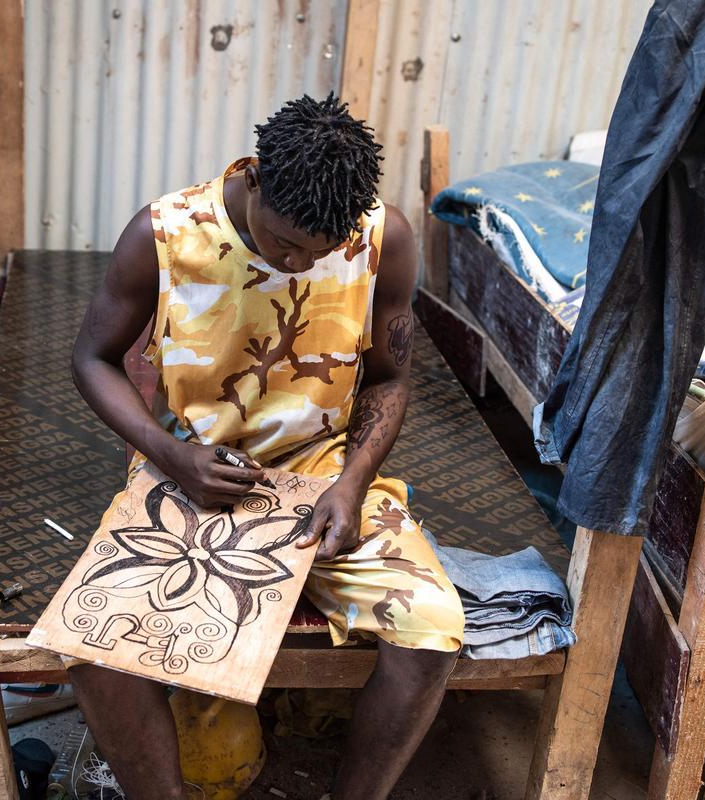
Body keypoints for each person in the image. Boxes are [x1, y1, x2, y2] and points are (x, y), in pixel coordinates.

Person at [68, 93, 465, 800]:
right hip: (192, 471)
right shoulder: (164, 233)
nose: (297, 263)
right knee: (93, 656)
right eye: (283, 243)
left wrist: (351, 483)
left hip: (322, 476)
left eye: (318, 252)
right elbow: (91, 359)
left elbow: (389, 380)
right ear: (252, 178)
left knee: (432, 632)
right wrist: (168, 453)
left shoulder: (383, 238)